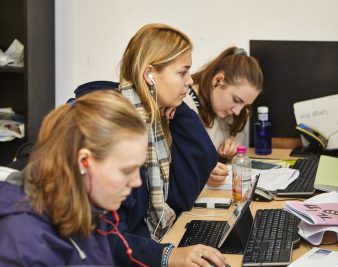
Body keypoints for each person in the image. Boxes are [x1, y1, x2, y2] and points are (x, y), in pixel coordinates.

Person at [110, 23, 228, 266]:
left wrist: (178, 107)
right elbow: (108, 239)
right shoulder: (116, 129)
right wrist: (166, 255)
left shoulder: (155, 120)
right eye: (182, 72)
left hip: (147, 247)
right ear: (150, 74)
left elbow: (182, 196)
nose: (189, 81)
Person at [0, 90, 148, 266]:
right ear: (83, 162)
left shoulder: (84, 203)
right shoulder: (26, 243)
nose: (137, 182)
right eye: (126, 170)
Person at [184, 47, 264, 187]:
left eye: (245, 105)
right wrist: (202, 173)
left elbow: (234, 139)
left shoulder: (225, 109)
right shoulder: (185, 104)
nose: (238, 111)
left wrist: (232, 150)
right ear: (218, 81)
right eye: (236, 100)